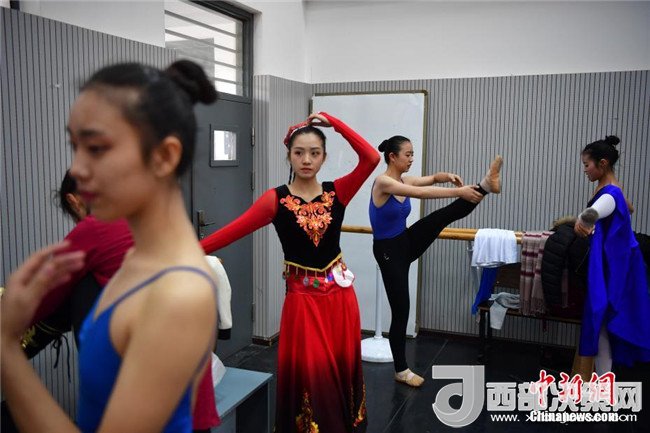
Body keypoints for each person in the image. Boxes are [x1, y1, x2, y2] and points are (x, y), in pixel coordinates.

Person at [1, 60, 219, 433]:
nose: (77, 169)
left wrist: (6, 348)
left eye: (96, 148)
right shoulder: (137, 258)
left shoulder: (180, 294)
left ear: (164, 156)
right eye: (75, 147)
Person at [200, 112, 380, 432]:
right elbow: (230, 232)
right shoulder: (276, 200)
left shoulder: (337, 192)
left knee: (341, 367)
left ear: (324, 157)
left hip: (340, 299)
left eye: (314, 153)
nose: (306, 160)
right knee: (310, 373)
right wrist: (183, 250)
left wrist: (334, 123)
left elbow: (370, 158)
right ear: (289, 156)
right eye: (299, 153)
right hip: (303, 301)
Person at [369, 135, 502, 387]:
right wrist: (458, 191)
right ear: (392, 157)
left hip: (404, 240)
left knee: (442, 217)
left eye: (413, 154)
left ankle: (485, 185)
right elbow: (420, 192)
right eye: (408, 154)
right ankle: (401, 370)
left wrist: (444, 176)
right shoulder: (383, 182)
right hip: (388, 251)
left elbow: (428, 180)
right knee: (401, 310)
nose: (411, 158)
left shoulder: (404, 179)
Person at [573, 135, 650, 374]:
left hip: (618, 266)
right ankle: (604, 382)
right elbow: (629, 207)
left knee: (603, 318)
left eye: (587, 165)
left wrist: (581, 222)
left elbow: (591, 214)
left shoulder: (609, 194)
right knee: (604, 322)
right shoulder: (614, 189)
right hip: (618, 261)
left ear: (603, 163)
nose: (585, 170)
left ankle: (604, 382)